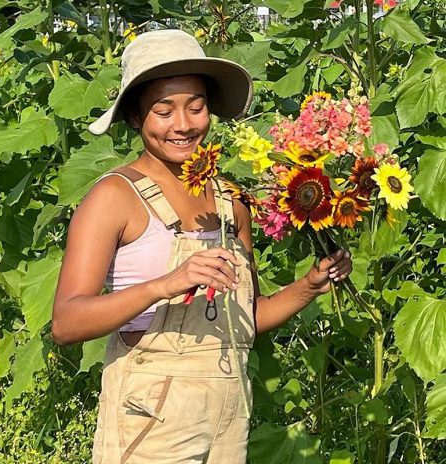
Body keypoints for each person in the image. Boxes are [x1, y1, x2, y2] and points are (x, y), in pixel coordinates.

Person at [51, 29, 353, 464]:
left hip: (229, 409)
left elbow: (245, 318)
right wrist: (165, 284)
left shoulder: (231, 201)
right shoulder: (115, 197)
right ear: (136, 118)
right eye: (163, 110)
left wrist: (309, 285)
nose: (184, 125)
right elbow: (66, 322)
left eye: (196, 107)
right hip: (150, 418)